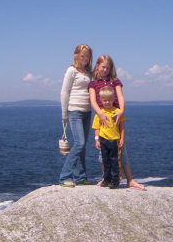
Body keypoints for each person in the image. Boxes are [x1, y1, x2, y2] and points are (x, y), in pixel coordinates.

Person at [88, 55, 146, 191]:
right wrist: (100, 113)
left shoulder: (115, 81)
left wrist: (121, 111)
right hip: (102, 118)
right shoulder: (93, 84)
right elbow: (93, 101)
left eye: (108, 67)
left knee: (121, 152)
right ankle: (106, 177)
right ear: (97, 66)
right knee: (103, 155)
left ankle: (129, 179)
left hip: (116, 116)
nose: (105, 70)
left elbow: (120, 97)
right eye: (103, 67)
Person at [59, 44, 94, 187]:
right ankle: (64, 176)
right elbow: (64, 91)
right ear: (76, 55)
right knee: (79, 143)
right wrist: (64, 113)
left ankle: (80, 177)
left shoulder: (88, 72)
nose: (84, 58)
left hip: (87, 111)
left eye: (87, 55)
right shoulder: (71, 70)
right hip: (74, 110)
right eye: (82, 55)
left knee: (83, 145)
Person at [92, 86, 126, 189]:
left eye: (109, 100)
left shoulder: (117, 111)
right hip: (103, 139)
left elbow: (122, 126)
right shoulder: (99, 114)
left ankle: (115, 180)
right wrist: (97, 139)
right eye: (104, 100)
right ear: (101, 100)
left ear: (113, 100)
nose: (107, 102)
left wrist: (122, 138)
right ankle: (106, 179)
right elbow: (96, 128)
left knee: (115, 161)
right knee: (105, 160)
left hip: (114, 139)